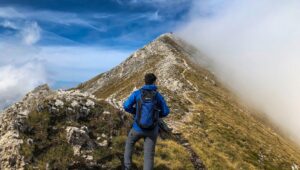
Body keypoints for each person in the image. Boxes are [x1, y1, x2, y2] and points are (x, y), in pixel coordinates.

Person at [123, 73, 170, 170]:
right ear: (154, 82)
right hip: (152, 131)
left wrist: (135, 113)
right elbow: (166, 112)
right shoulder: (157, 96)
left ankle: (127, 167)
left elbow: (126, 106)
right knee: (149, 156)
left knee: (129, 144)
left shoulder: (137, 93)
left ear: (144, 81)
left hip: (137, 128)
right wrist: (157, 116)